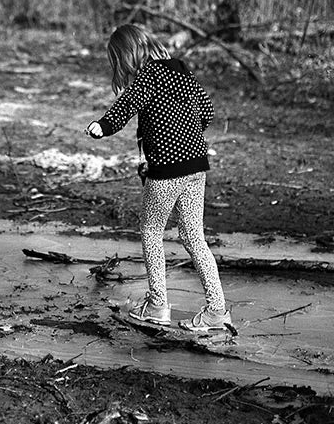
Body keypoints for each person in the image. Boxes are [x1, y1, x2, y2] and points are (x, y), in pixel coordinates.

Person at [86, 24, 230, 332]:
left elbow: (127, 105)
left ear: (128, 55)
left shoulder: (148, 75)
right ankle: (217, 310)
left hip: (167, 169)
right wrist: (185, 133)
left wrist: (103, 125)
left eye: (118, 60)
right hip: (196, 165)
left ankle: (156, 305)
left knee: (151, 231)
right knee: (194, 237)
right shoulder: (180, 70)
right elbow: (207, 112)